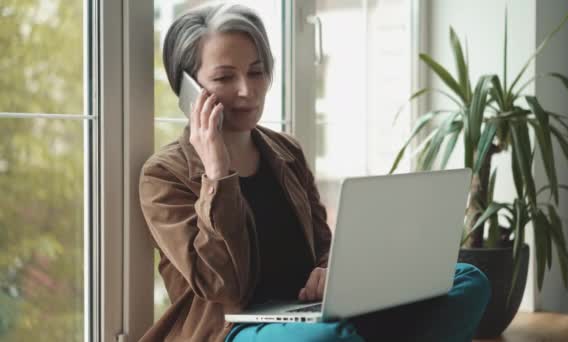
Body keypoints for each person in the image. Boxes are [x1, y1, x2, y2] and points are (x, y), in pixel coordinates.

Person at [139, 3, 490, 341]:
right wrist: (217, 174)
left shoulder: (286, 151)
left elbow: (323, 243)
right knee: (325, 338)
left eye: (257, 71)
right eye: (225, 77)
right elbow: (223, 288)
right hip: (235, 329)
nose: (247, 90)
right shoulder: (164, 176)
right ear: (188, 89)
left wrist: (328, 272)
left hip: (310, 309)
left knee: (467, 279)